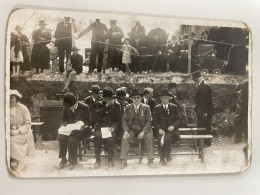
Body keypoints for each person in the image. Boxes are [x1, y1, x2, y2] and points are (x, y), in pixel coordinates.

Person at [120, 89, 155, 168]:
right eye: (134, 98)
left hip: (143, 129)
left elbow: (149, 121)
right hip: (131, 129)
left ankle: (150, 160)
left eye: (138, 97)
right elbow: (124, 120)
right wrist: (125, 131)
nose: (136, 99)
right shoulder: (128, 107)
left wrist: (143, 132)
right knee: (125, 138)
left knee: (149, 137)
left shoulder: (146, 107)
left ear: (141, 98)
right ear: (131, 99)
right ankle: (123, 160)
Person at [58, 93, 92, 170]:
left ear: (75, 102)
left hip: (81, 131)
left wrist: (81, 125)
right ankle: (63, 159)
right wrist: (64, 125)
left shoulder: (84, 107)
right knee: (61, 138)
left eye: (71, 106)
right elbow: (63, 120)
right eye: (68, 107)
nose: (70, 108)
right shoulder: (66, 107)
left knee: (71, 140)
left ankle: (72, 161)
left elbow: (88, 122)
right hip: (69, 130)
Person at [93, 88, 121, 168]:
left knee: (110, 138)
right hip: (100, 128)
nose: (108, 100)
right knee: (97, 137)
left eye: (110, 98)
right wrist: (106, 106)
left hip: (111, 128)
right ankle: (97, 160)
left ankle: (110, 159)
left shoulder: (117, 106)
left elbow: (119, 120)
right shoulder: (98, 104)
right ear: (103, 98)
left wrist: (114, 128)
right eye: (106, 98)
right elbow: (96, 116)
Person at [153, 88, 181, 166]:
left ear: (169, 98)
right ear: (160, 99)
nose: (164, 100)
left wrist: (173, 126)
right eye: (163, 98)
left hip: (171, 130)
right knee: (159, 139)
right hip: (161, 130)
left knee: (167, 139)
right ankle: (162, 160)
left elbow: (179, 119)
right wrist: (159, 129)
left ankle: (168, 158)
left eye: (166, 98)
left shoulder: (174, 107)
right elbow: (154, 121)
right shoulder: (157, 107)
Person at [9, 90, 35, 174]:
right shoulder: (4, 108)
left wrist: (18, 131)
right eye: (8, 97)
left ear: (16, 98)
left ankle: (19, 162)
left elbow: (28, 123)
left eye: (12, 97)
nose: (10, 99)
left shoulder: (23, 108)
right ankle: (11, 160)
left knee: (12, 141)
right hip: (9, 131)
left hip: (23, 132)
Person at [192, 70, 214, 147]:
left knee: (204, 126)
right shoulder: (203, 85)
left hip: (204, 112)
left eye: (194, 80)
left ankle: (205, 143)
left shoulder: (204, 86)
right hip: (202, 111)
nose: (194, 82)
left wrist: (204, 112)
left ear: (197, 79)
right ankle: (201, 143)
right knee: (203, 126)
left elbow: (206, 101)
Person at [233, 79, 248, 164]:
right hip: (240, 108)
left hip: (241, 110)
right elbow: (234, 94)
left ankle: (237, 137)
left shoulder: (245, 84)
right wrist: (238, 92)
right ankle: (237, 137)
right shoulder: (243, 85)